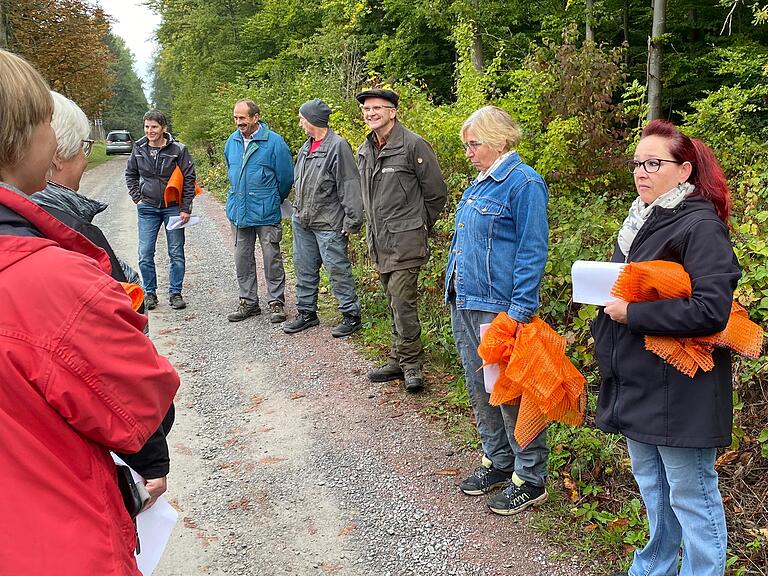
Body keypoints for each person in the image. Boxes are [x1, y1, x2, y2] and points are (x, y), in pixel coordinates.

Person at [0, 49, 179, 575]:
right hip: (53, 544)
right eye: (45, 123)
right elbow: (144, 403)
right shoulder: (52, 282)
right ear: (25, 137)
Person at [592, 120, 740, 576]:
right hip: (638, 382)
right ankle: (655, 568)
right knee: (654, 490)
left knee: (692, 495)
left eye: (654, 163)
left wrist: (633, 316)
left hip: (682, 390)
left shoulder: (699, 226)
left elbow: (711, 310)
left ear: (684, 171)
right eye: (637, 163)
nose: (642, 171)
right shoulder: (639, 222)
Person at [32, 90, 173, 503]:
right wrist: (151, 450)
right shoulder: (69, 234)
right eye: (85, 149)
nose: (85, 158)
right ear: (56, 154)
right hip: (75, 450)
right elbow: (111, 352)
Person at [445, 106, 551, 515]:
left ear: (499, 140)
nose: (468, 152)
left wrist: (519, 310)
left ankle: (530, 476)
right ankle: (499, 460)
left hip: (498, 309)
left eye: (474, 144)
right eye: (466, 145)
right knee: (480, 389)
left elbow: (531, 250)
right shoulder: (480, 183)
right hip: (466, 301)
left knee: (512, 394)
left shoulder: (523, 183)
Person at [356, 88, 447, 392]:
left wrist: (419, 226)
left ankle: (411, 365)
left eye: (377, 108)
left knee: (402, 301)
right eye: (366, 109)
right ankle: (398, 357)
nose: (370, 113)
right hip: (380, 240)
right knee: (393, 301)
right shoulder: (366, 148)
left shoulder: (413, 145)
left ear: (392, 112)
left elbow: (436, 193)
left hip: (406, 241)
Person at [284, 98, 364, 338]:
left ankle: (351, 315)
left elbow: (349, 184)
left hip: (329, 222)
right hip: (303, 220)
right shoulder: (306, 147)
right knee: (304, 268)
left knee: (337, 269)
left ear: (313, 120)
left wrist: (352, 220)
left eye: (302, 118)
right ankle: (307, 313)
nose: (300, 123)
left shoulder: (338, 146)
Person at [224, 98, 293, 324]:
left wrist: (272, 199)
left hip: (266, 211)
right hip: (239, 212)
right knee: (242, 258)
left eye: (242, 118)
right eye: (235, 117)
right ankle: (249, 302)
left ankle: (276, 302)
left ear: (255, 117)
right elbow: (232, 173)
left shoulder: (274, 142)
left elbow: (285, 179)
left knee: (271, 257)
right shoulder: (231, 142)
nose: (238, 122)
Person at [125, 108, 197, 311]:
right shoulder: (139, 148)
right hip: (147, 207)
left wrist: (186, 207)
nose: (150, 131)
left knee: (176, 251)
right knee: (145, 252)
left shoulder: (178, 150)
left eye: (154, 127)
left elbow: (189, 179)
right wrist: (136, 197)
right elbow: (130, 174)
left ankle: (175, 293)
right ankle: (150, 293)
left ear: (163, 128)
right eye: (147, 127)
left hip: (173, 208)